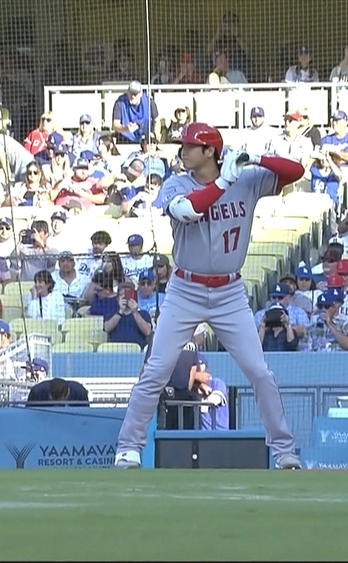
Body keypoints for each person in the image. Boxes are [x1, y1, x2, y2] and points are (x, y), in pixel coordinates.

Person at [113, 123, 305, 470]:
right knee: (156, 369)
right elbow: (189, 211)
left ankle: (284, 450)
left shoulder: (244, 178)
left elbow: (296, 171)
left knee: (259, 372)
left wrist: (255, 158)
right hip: (185, 287)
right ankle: (128, 446)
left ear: (210, 152)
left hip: (230, 291)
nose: (183, 151)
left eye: (190, 146)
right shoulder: (177, 182)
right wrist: (223, 182)